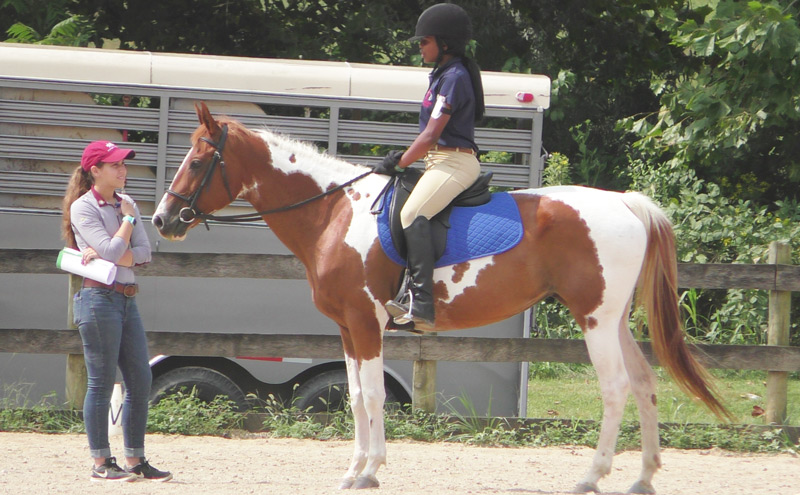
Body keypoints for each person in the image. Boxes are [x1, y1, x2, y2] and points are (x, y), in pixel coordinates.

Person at [61, 140, 172, 482]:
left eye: (123, 164)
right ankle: (101, 462)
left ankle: (135, 459)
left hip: (126, 299)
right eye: (115, 165)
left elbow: (143, 253)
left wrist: (117, 247)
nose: (123, 170)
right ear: (95, 171)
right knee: (100, 382)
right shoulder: (84, 208)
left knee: (140, 378)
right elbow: (113, 250)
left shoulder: (129, 203)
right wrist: (125, 222)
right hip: (98, 300)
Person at [374, 3, 485, 331]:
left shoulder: (455, 77)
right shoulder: (442, 75)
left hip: (455, 162)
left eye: (425, 41)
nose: (420, 47)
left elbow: (431, 134)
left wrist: (399, 161)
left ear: (445, 44)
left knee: (412, 214)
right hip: (439, 160)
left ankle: (421, 302)